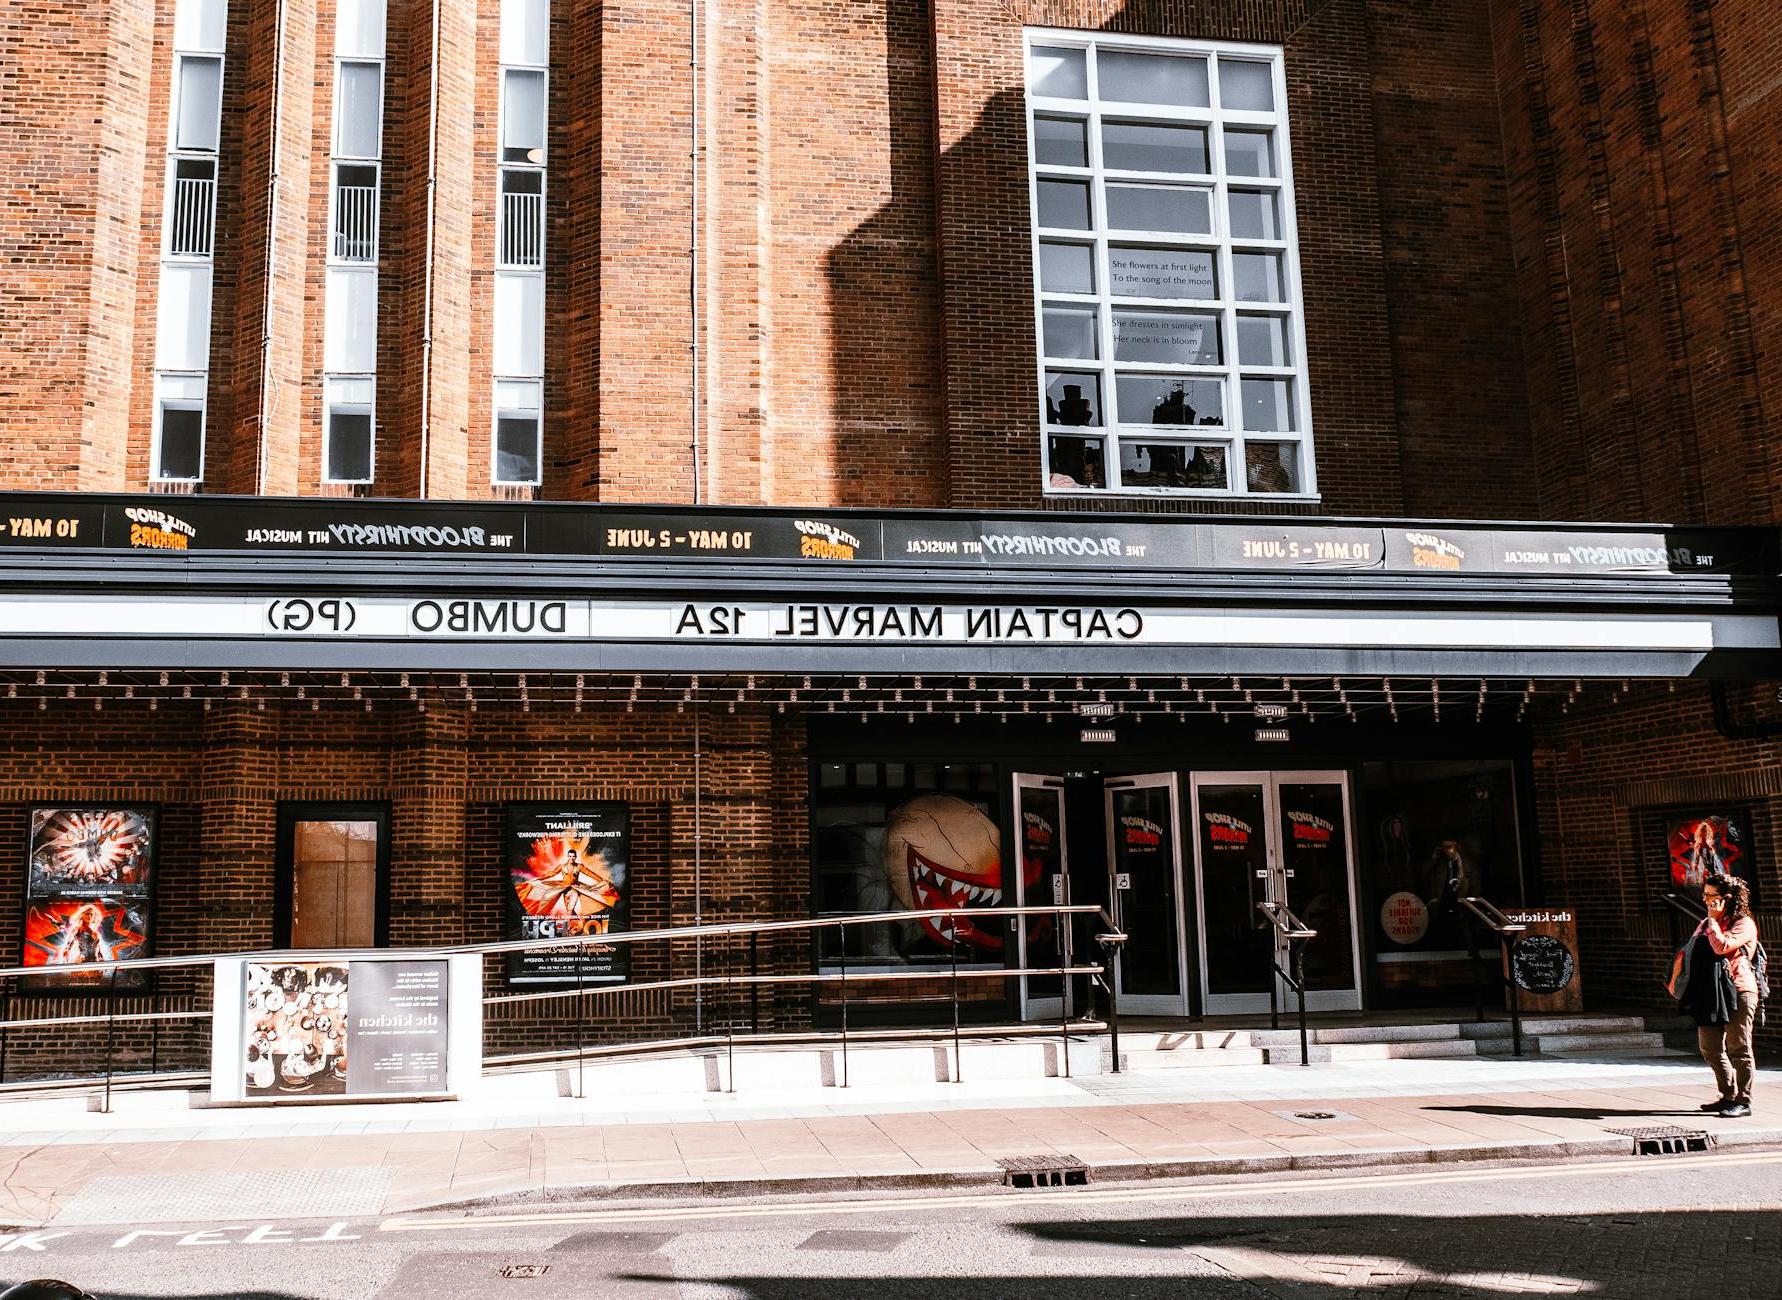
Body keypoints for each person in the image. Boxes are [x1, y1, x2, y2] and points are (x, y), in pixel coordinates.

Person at [1691, 874, 1760, 1118]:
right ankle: (1727, 1094)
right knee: (1709, 1047)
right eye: (1705, 894)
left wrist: (1713, 921)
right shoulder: (1707, 922)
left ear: (1726, 899)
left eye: (1711, 896)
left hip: (1739, 990)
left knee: (1738, 1048)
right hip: (1711, 993)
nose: (1706, 899)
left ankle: (1743, 1100)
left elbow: (1721, 947)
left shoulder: (1744, 924)